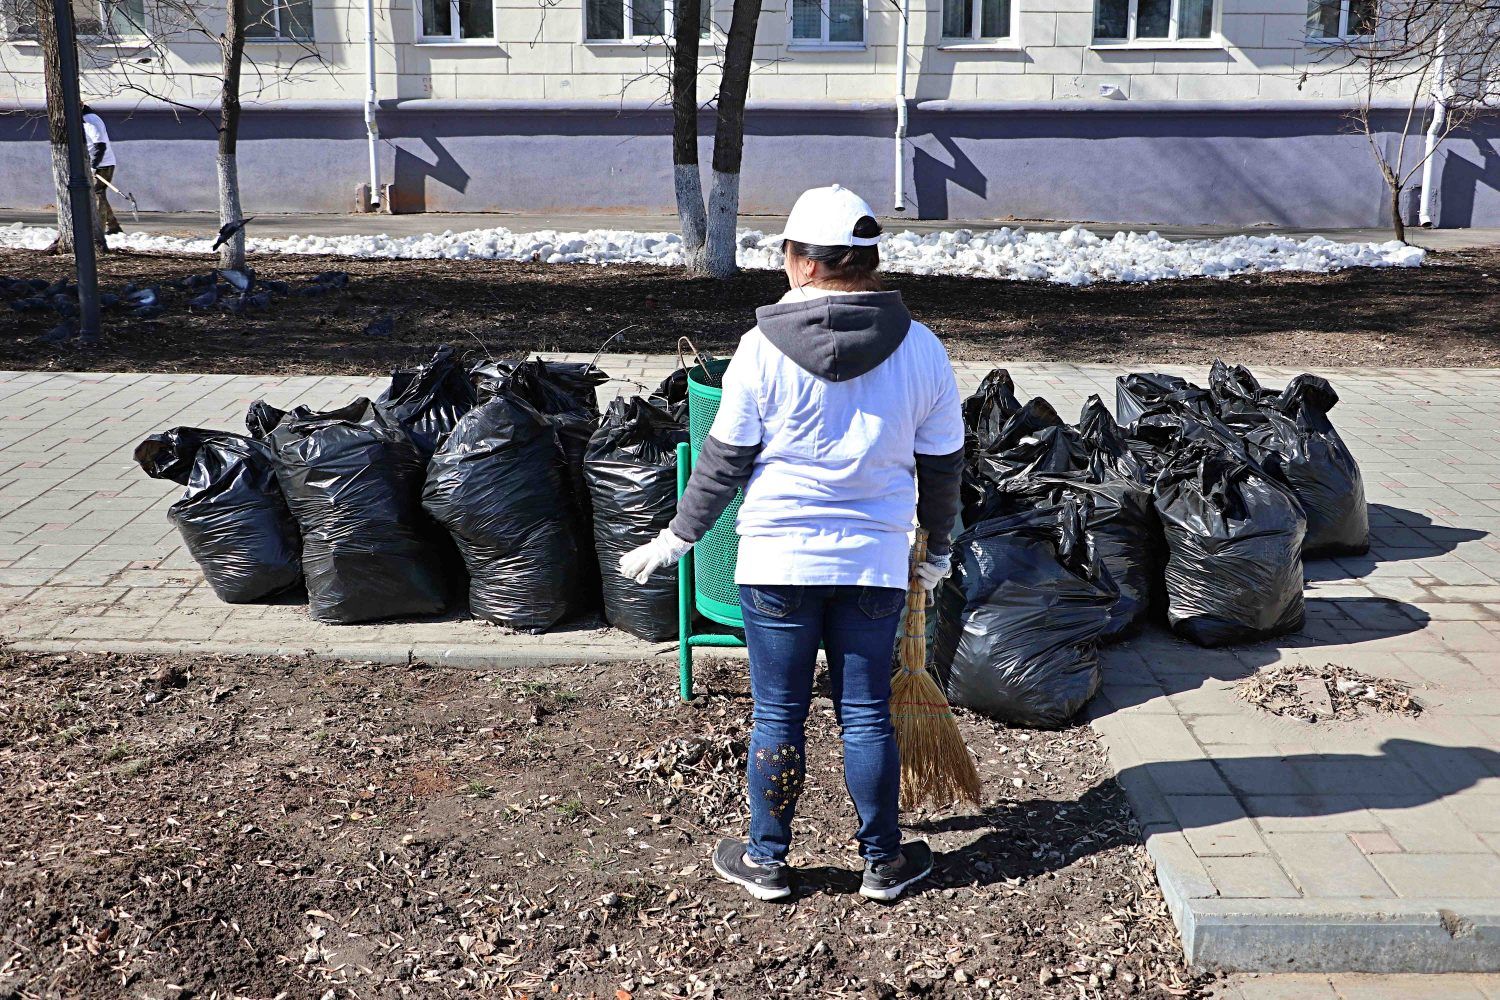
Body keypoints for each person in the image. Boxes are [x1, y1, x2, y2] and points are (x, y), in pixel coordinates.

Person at [619, 184, 964, 903]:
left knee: (779, 714)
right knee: (866, 712)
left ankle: (768, 862)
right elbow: (942, 466)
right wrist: (936, 552)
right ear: (868, 261)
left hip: (776, 562)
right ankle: (882, 864)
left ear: (802, 264)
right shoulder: (924, 348)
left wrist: (677, 539)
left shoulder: (759, 349)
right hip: (873, 564)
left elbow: (724, 460)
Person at [80, 105, 122, 235]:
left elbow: (100, 146)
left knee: (96, 195)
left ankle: (99, 229)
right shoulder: (82, 120)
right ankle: (113, 226)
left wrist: (94, 166)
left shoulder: (91, 120)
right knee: (98, 194)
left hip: (103, 165)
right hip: (94, 163)